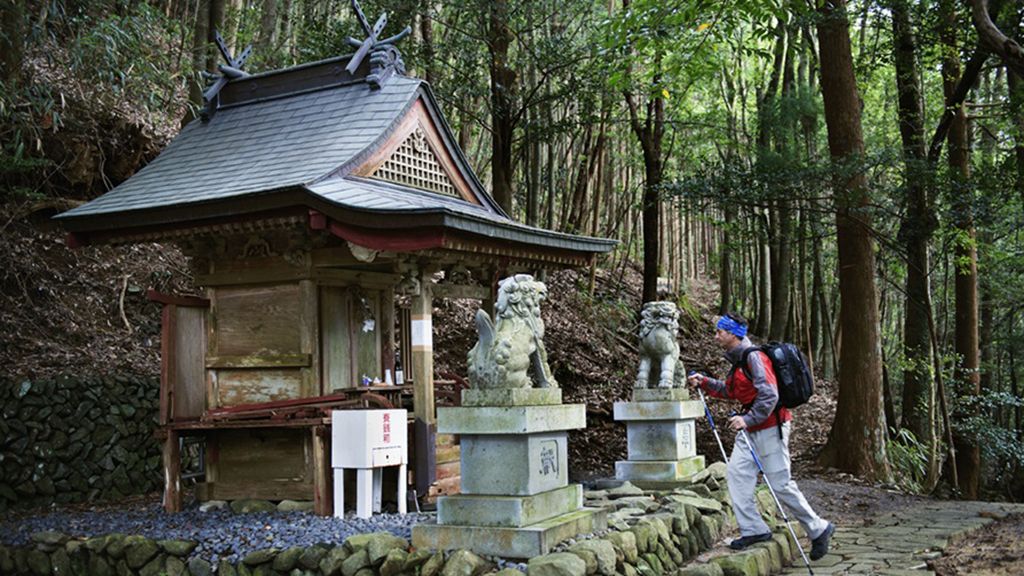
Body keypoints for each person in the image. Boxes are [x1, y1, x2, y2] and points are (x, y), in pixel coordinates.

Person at [687, 312, 834, 559]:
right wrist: (704, 382)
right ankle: (753, 529)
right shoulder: (739, 360)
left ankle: (819, 528)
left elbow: (769, 395)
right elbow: (732, 391)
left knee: (780, 484)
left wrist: (747, 418)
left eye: (720, 332)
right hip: (751, 430)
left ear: (733, 334)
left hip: (770, 427)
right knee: (737, 474)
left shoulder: (754, 357)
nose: (716, 337)